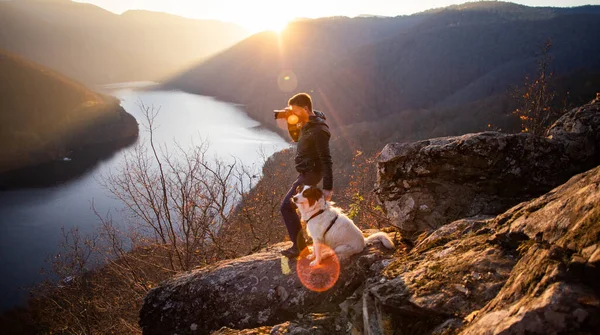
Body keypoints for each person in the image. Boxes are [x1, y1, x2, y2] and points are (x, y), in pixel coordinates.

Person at [280, 93, 333, 258]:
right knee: (305, 209)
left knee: (287, 206)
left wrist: (328, 188)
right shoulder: (308, 124)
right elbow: (296, 139)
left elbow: (327, 160)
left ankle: (300, 247)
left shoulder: (319, 130)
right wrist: (291, 120)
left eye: (296, 110)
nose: (294, 113)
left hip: (312, 174)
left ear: (305, 108)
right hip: (306, 173)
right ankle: (311, 242)